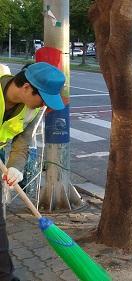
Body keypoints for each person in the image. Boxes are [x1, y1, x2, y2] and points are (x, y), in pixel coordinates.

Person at [0, 62, 65, 281]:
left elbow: (22, 142)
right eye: (43, 98)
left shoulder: (32, 109)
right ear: (27, 88)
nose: (43, 105)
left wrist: (15, 168)